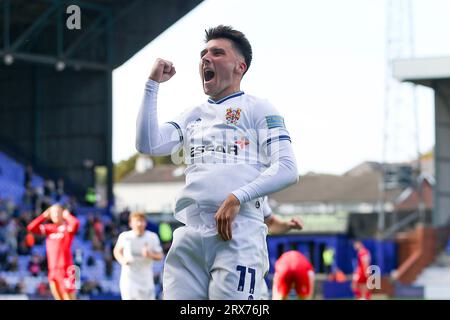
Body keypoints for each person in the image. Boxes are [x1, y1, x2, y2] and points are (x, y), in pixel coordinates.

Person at [136, 25, 298, 300]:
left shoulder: (259, 108)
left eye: (217, 52)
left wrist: (236, 197)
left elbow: (287, 168)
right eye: (203, 53)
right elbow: (147, 143)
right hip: (189, 235)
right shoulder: (192, 114)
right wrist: (151, 85)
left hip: (237, 232)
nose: (205, 59)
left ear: (240, 66)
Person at [26, 203, 80, 300]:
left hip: (67, 268)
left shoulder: (66, 228)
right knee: (58, 297)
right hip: (53, 268)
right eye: (53, 212)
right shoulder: (50, 229)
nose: (55, 214)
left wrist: (67, 215)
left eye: (58, 212)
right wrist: (43, 216)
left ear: (62, 213)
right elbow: (31, 227)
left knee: (69, 297)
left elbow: (75, 223)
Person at [113, 212, 164, 300]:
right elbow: (117, 251)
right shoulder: (125, 236)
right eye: (137, 221)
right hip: (129, 280)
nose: (139, 224)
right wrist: (122, 260)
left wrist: (149, 254)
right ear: (130, 223)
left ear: (145, 223)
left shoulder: (152, 237)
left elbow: (160, 256)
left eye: (142, 221)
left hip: (146, 281)